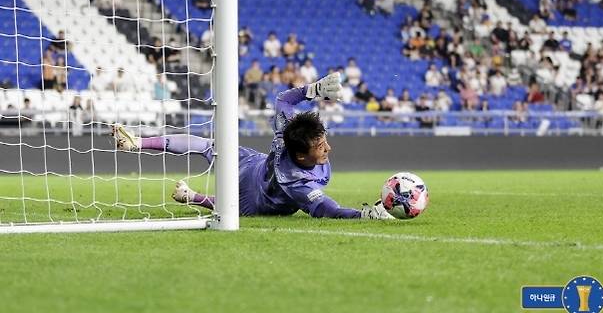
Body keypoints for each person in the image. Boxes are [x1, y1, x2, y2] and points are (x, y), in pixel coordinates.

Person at [111, 73, 393, 220]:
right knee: (233, 209)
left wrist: (314, 91)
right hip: (258, 199)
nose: (328, 148)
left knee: (209, 145)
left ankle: (138, 142)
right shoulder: (297, 183)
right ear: (300, 155)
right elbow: (327, 209)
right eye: (320, 146)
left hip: (254, 165)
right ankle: (193, 197)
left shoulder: (289, 129)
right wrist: (364, 214)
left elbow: (284, 100)